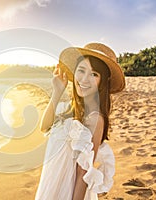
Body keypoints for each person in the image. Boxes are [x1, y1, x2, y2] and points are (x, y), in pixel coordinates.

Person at [35, 43, 125, 200]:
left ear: (102, 81)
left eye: (94, 74)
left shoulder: (95, 119)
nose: (84, 79)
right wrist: (57, 92)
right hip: (50, 183)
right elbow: (44, 127)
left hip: (67, 191)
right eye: (81, 71)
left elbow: (82, 173)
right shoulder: (69, 109)